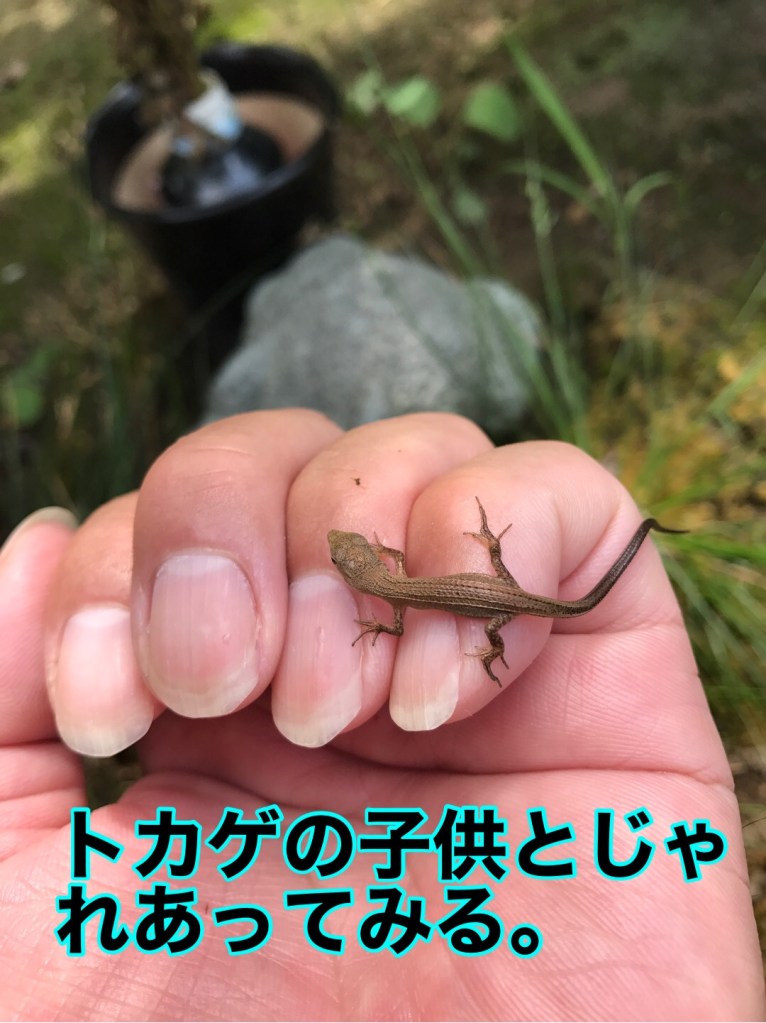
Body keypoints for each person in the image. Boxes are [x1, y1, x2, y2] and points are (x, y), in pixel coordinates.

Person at [0, 410, 762, 1020]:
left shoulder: (391, 593)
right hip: (497, 595)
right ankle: (509, 576)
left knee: (497, 605)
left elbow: (393, 611)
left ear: (361, 572)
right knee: (492, 585)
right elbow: (392, 584)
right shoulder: (391, 579)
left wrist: (421, 622)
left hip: (501, 602)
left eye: (349, 558)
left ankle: (516, 591)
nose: (346, 555)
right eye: (347, 558)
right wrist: (465, 568)